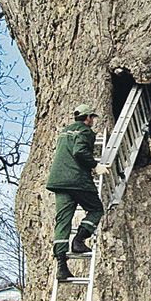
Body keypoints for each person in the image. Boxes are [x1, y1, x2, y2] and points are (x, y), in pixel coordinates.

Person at [46, 103, 110, 280]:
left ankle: (61, 266)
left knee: (63, 222)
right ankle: (79, 240)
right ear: (87, 118)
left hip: (59, 182)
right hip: (76, 180)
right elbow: (79, 151)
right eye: (92, 118)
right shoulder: (85, 131)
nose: (92, 121)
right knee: (96, 209)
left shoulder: (64, 133)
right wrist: (96, 166)